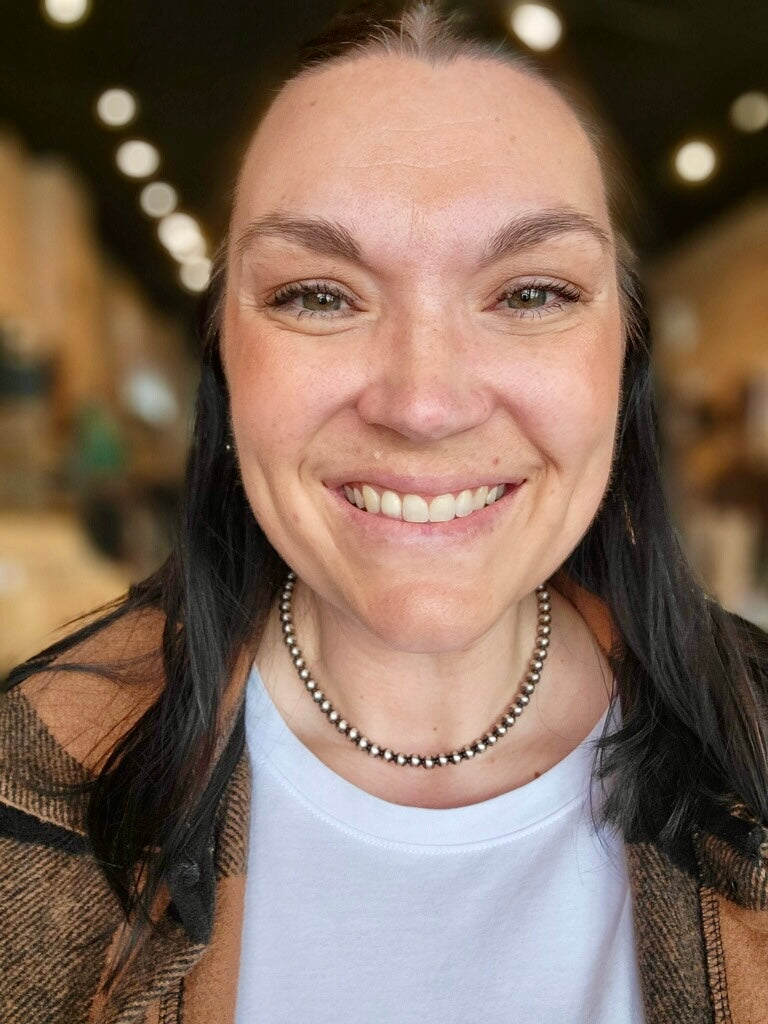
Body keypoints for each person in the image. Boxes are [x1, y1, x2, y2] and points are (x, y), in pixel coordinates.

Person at [2, 3, 768, 1022]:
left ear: (620, 364)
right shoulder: (31, 792)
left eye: (532, 292)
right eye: (318, 294)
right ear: (225, 368)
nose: (421, 404)